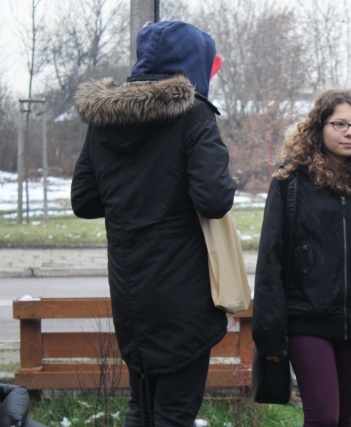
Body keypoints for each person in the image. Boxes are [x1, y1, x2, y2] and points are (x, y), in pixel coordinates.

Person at [71, 21, 237, 427]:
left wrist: (131, 199)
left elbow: (84, 200)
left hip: (130, 291)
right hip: (183, 293)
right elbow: (214, 199)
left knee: (142, 407)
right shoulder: (193, 114)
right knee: (175, 412)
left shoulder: (104, 120)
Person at [252, 89, 351, 427]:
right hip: (306, 317)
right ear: (319, 127)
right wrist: (269, 332)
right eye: (339, 124)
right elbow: (270, 258)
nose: (350, 132)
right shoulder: (290, 181)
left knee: (344, 418)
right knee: (324, 417)